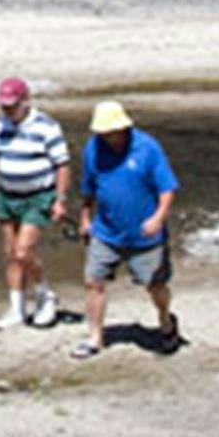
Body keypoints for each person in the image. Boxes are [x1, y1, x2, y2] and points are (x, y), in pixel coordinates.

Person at [70, 99, 180, 359]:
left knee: (155, 284)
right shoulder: (93, 149)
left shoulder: (147, 148)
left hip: (145, 235)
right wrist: (85, 218)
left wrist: (158, 218)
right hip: (106, 231)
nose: (107, 138)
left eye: (110, 133)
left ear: (123, 128)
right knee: (93, 281)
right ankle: (95, 338)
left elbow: (167, 188)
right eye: (102, 133)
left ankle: (166, 321)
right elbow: (89, 188)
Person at [0, 76, 71, 329]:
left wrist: (60, 199)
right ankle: (16, 308)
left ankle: (45, 295)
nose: (7, 110)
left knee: (24, 251)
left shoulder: (46, 126)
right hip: (7, 194)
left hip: (38, 196)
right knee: (11, 253)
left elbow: (62, 165)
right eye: (3, 106)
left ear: (25, 101)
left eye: (12, 105)